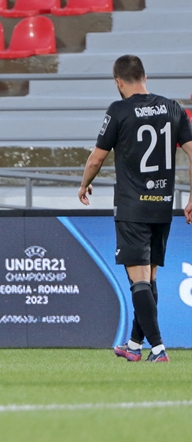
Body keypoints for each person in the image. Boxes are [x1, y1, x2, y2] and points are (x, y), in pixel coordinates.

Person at [79, 54, 192, 363]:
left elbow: (96, 159)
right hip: (162, 206)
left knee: (138, 280)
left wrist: (84, 183)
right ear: (144, 76)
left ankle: (158, 349)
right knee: (149, 278)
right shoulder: (173, 108)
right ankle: (133, 344)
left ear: (119, 81)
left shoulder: (119, 110)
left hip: (132, 206)